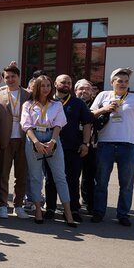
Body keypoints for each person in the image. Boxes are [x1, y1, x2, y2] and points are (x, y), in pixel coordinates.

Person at [90, 68, 134, 225]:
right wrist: (104, 109)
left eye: (126, 81)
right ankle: (99, 212)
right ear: (112, 82)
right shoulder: (103, 95)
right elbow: (90, 114)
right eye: (120, 81)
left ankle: (123, 214)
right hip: (105, 145)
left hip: (127, 146)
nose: (123, 84)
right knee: (101, 182)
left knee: (126, 184)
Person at [21, 75, 77, 227]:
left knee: (60, 177)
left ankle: (68, 212)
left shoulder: (56, 104)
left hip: (52, 137)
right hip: (34, 138)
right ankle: (38, 210)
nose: (46, 89)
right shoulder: (28, 105)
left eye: (48, 85)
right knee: (35, 177)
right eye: (42, 86)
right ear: (36, 87)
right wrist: (36, 142)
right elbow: (26, 125)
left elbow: (59, 123)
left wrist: (53, 141)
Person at [44, 74, 92, 222]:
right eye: (63, 82)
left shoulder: (78, 103)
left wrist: (85, 143)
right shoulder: (47, 101)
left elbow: (87, 124)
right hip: (50, 146)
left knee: (72, 179)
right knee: (50, 179)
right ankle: (50, 208)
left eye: (69, 83)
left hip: (72, 147)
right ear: (55, 84)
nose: (66, 85)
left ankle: (73, 209)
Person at [0, 64, 30, 219]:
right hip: (5, 139)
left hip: (24, 139)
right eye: (7, 77)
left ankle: (18, 205)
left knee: (22, 174)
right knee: (3, 174)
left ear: (19, 77)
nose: (10, 79)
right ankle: (3, 205)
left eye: (13, 76)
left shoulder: (28, 95)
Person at [75, 79, 98, 212]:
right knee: (73, 176)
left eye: (87, 89)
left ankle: (88, 201)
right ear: (75, 91)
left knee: (89, 176)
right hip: (73, 144)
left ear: (92, 92)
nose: (84, 91)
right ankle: (74, 203)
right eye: (81, 89)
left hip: (92, 145)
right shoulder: (71, 103)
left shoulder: (98, 104)